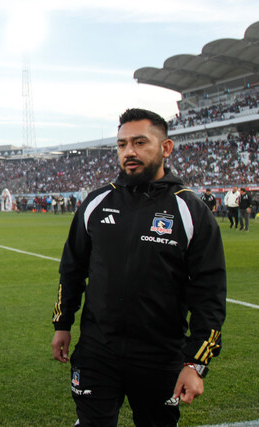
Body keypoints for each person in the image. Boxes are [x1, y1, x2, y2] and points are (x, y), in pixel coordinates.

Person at [51, 108, 226, 426]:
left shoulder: (190, 211)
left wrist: (195, 363)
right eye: (121, 144)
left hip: (160, 356)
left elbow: (210, 294)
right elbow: (72, 269)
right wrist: (62, 324)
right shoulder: (96, 203)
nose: (128, 152)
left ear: (166, 148)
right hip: (97, 350)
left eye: (139, 142)